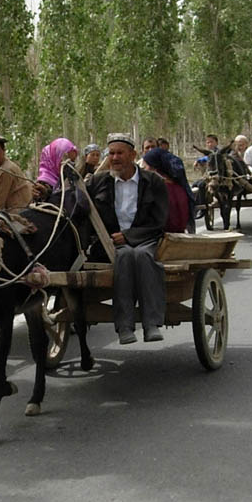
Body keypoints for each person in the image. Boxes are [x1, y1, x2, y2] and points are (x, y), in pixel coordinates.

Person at [87, 132, 169, 345]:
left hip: (146, 239)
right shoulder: (98, 182)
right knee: (124, 257)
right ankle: (124, 327)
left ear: (132, 155)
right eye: (111, 153)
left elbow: (159, 221)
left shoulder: (153, 182)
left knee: (142, 256)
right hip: (110, 245)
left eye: (120, 153)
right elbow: (78, 204)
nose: (115, 158)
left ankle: (151, 324)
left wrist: (130, 236)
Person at [143, 146, 196, 234]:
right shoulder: (180, 188)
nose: (144, 169)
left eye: (146, 166)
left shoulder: (158, 190)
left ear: (155, 168)